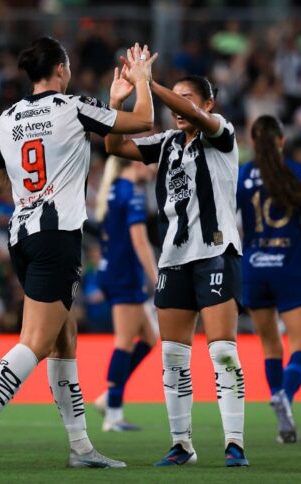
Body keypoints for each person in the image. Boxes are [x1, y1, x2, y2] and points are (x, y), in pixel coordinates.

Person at [0, 38, 157, 471]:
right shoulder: (75, 107)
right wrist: (142, 81)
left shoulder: (6, 119)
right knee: (36, 342)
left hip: (22, 237)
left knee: (64, 336)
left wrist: (29, 180)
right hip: (57, 236)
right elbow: (145, 121)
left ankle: (80, 447)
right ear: (61, 69)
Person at [105, 72, 248, 467]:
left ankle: (234, 442)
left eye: (187, 98)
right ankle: (182, 444)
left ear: (208, 104)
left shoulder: (221, 133)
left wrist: (150, 85)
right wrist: (117, 102)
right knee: (172, 356)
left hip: (216, 252)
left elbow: (191, 113)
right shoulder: (167, 143)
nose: (177, 107)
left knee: (223, 352)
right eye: (175, 99)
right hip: (173, 258)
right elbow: (113, 145)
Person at [236, 115, 301, 443]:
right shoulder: (297, 172)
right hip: (290, 267)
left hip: (254, 268)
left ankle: (280, 405)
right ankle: (285, 397)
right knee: (300, 345)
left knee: (270, 345)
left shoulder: (242, 175)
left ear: (253, 142)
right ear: (282, 140)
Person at [93, 155, 158, 432]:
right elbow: (139, 240)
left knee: (150, 338)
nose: (153, 166)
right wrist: (156, 278)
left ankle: (108, 397)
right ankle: (113, 413)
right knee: (124, 343)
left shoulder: (114, 188)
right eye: (149, 161)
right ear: (136, 164)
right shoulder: (132, 192)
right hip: (125, 276)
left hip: (112, 271)